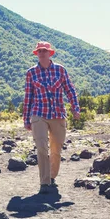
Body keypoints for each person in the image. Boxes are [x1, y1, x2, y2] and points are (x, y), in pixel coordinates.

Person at [23, 41, 80, 194]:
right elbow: (28, 97)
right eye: (39, 51)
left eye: (44, 51)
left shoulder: (60, 70)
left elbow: (70, 90)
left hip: (57, 114)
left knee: (56, 149)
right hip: (38, 113)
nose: (42, 53)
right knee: (41, 147)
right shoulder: (31, 73)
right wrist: (26, 119)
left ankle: (52, 177)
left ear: (50, 53)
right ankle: (44, 183)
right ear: (37, 54)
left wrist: (75, 108)